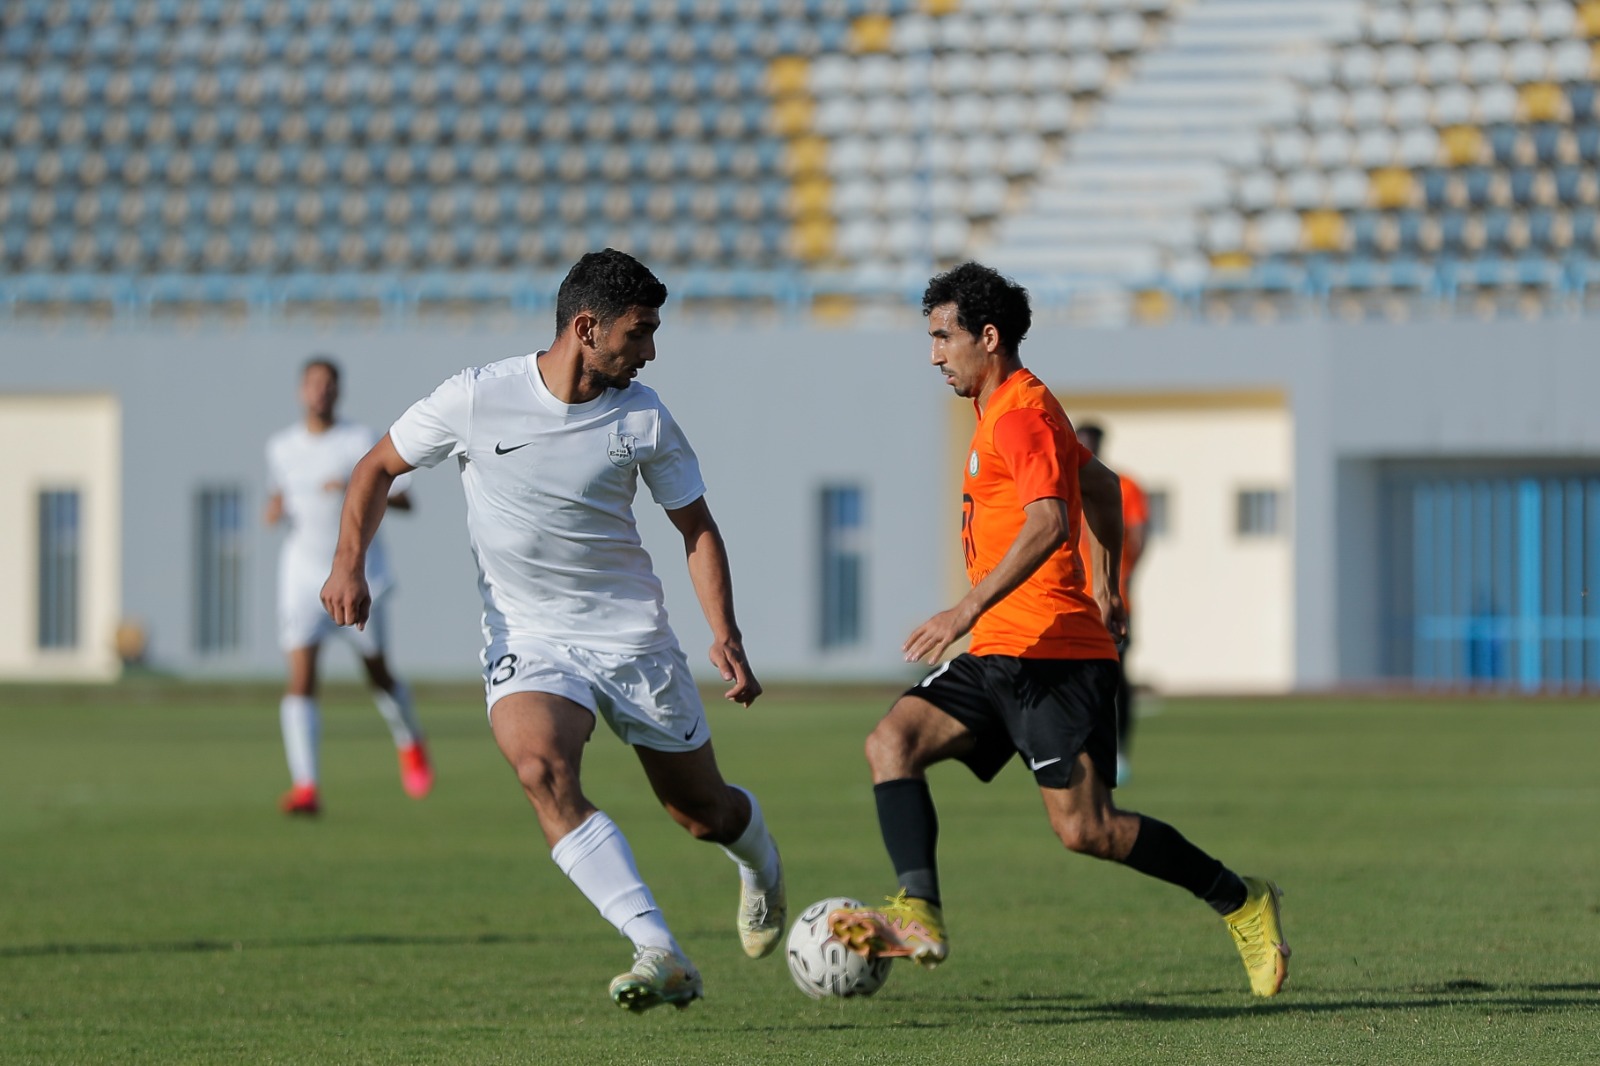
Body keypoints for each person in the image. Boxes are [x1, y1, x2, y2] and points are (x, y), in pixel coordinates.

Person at [320, 249, 785, 1013]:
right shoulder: (478, 397)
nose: (650, 351)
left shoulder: (644, 416)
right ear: (587, 327)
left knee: (702, 815)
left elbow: (695, 527)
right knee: (541, 770)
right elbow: (376, 467)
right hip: (528, 635)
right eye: (639, 333)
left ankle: (759, 860)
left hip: (631, 639)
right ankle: (658, 948)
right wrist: (349, 564)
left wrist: (724, 632)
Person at [828, 263, 1289, 997]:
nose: (934, 355)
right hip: (1000, 652)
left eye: (943, 337)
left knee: (1088, 830)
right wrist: (1106, 581)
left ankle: (1242, 900)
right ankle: (918, 914)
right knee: (892, 742)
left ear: (988, 337)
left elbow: (1048, 521)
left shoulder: (1021, 415)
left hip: (1056, 656)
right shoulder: (1003, 409)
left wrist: (964, 609)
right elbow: (1100, 487)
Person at [265, 356, 433, 817]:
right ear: (301, 391)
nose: (321, 391)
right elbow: (281, 496)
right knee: (301, 678)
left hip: (360, 573)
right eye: (313, 383)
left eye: (329, 384)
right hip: (302, 575)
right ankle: (306, 786)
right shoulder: (281, 447)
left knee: (378, 673)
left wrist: (354, 488)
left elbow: (405, 500)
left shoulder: (359, 442)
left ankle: (410, 741)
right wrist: (275, 508)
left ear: (338, 391)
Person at [1073, 421, 1149, 786]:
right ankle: (1079, 751)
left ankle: (1119, 753)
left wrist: (1126, 573)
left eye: (1091, 442)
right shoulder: (1063, 485)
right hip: (1073, 598)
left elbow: (1139, 533)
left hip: (1111, 597)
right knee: (1074, 679)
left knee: (1115, 678)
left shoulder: (1123, 485)